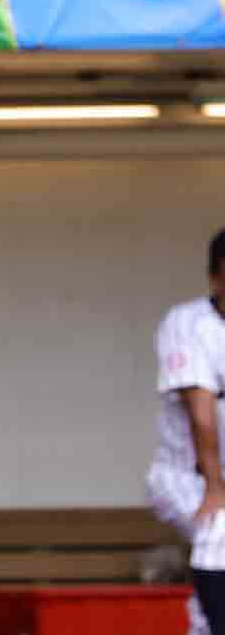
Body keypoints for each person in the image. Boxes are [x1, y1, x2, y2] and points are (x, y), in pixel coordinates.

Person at [146, 229, 225, 635]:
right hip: (186, 480)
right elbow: (201, 414)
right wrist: (215, 486)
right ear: (215, 278)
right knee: (221, 531)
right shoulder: (188, 324)